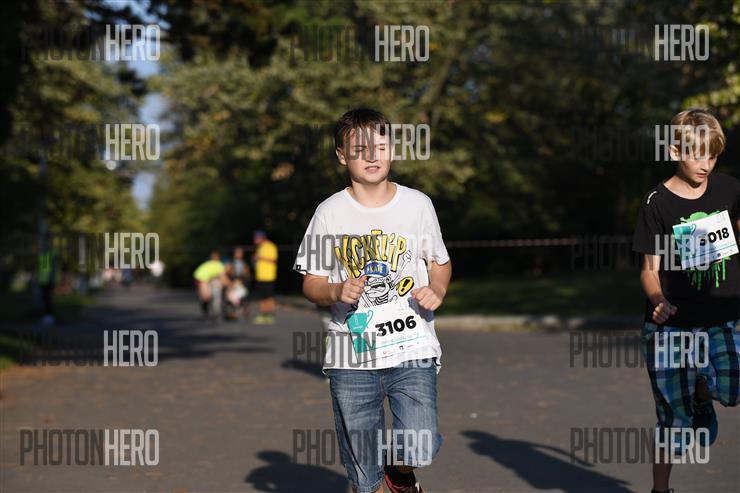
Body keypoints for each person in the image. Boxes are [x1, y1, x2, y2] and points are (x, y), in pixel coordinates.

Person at [293, 108, 452, 493]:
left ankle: (399, 473)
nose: (371, 156)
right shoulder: (329, 213)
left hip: (411, 345)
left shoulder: (417, 205)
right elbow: (311, 282)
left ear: (392, 150)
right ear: (341, 155)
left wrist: (437, 288)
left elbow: (440, 262)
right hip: (352, 353)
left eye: (380, 147)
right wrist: (335, 291)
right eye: (359, 149)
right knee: (364, 472)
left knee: (419, 443)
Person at [633, 109, 740, 493]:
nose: (706, 164)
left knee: (732, 389)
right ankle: (660, 490)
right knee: (672, 420)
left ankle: (702, 396)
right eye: (697, 155)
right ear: (675, 151)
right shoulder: (656, 203)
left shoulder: (729, 189)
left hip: (725, 317)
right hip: (672, 326)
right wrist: (658, 298)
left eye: (713, 155)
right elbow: (649, 269)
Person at [193, 250, 228, 319]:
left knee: (206, 297)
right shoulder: (219, 265)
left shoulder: (209, 263)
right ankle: (206, 313)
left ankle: (206, 313)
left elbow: (213, 275)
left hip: (199, 278)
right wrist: (230, 285)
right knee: (206, 297)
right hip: (202, 279)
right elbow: (223, 278)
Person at [252, 230, 278, 324]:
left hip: (268, 276)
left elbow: (274, 260)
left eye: (256, 238)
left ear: (261, 238)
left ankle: (270, 315)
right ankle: (263, 314)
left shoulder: (270, 246)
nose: (254, 240)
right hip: (261, 276)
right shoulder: (260, 247)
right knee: (262, 297)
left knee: (269, 297)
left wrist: (260, 258)